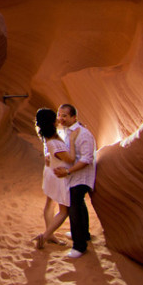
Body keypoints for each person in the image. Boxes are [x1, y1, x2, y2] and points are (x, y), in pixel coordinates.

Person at [54, 103, 96, 259]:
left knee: (74, 208)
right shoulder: (67, 132)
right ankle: (83, 234)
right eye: (60, 115)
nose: (61, 118)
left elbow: (86, 159)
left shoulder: (83, 134)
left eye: (65, 115)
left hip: (81, 177)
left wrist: (67, 171)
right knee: (79, 206)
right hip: (73, 177)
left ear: (74, 117)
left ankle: (79, 246)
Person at [33, 108, 76, 250]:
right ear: (52, 121)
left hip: (50, 172)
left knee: (50, 203)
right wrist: (73, 142)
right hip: (58, 175)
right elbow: (70, 159)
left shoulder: (46, 135)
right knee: (64, 211)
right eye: (56, 117)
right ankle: (45, 236)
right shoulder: (55, 143)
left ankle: (50, 234)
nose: (59, 119)